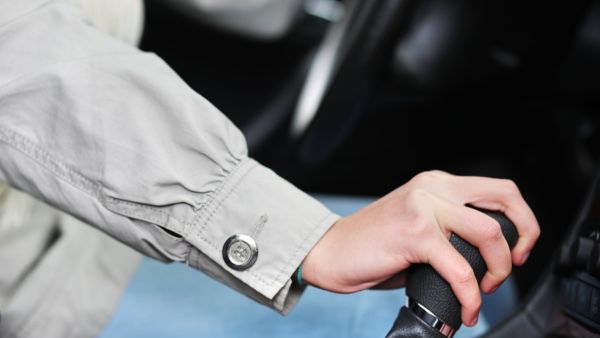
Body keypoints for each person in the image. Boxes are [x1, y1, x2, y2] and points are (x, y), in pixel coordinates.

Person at [0, 0, 540, 337]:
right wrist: (307, 240)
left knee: (483, 271)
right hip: (36, 284)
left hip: (89, 216)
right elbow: (20, 55)